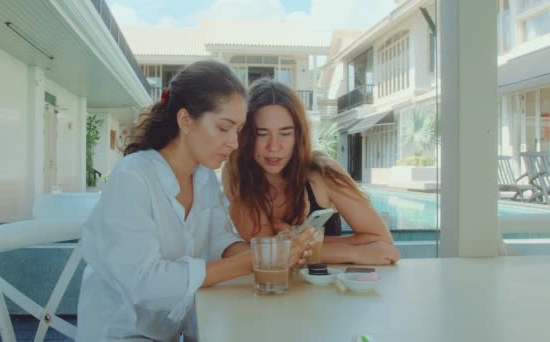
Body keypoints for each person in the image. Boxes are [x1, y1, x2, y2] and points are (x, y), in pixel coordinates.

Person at [76, 61, 314, 342]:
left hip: (172, 333)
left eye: (238, 131)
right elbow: (145, 283)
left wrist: (276, 253)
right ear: (185, 120)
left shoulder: (203, 179)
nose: (235, 143)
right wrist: (253, 261)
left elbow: (219, 241)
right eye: (224, 128)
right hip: (119, 334)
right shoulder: (133, 178)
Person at [223, 78, 400, 266]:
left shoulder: (323, 172)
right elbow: (270, 254)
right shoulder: (237, 174)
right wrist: (353, 252)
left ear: (298, 136)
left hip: (328, 291)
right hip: (270, 290)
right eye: (262, 133)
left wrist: (296, 241)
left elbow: (383, 244)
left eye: (285, 133)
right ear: (246, 135)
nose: (274, 146)